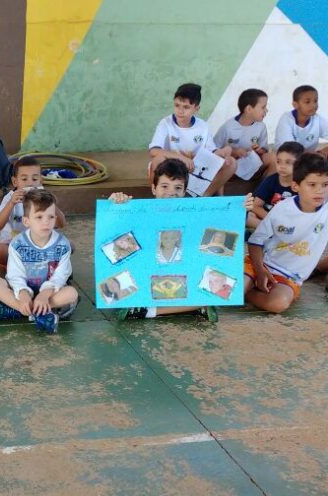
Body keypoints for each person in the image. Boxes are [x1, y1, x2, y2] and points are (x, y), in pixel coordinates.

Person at [109, 159, 253, 321]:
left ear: (184, 192)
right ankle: (190, 308)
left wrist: (241, 209)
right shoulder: (139, 213)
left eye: (178, 188)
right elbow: (115, 231)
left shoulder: (194, 215)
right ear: (153, 188)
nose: (171, 192)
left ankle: (149, 310)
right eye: (164, 186)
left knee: (216, 288)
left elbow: (224, 225)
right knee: (116, 288)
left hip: (184, 274)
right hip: (149, 272)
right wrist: (116, 202)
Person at [0, 189, 78, 334]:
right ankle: (39, 313)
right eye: (39, 217)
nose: (46, 222)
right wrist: (22, 294)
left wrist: (45, 294)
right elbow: (14, 275)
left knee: (71, 293)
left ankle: (18, 310)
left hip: (50, 292)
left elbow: (60, 276)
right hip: (22, 289)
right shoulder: (17, 243)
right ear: (26, 221)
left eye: (51, 217)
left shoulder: (62, 244)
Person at [244, 153, 328, 313]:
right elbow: (256, 242)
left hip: (290, 276)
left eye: (325, 184)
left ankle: (248, 294)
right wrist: (260, 271)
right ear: (296, 186)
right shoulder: (282, 208)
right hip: (262, 263)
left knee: (278, 304)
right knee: (230, 289)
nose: (320, 191)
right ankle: (244, 289)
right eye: (312, 184)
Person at [149, 83, 236, 196]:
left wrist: (224, 152)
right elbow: (154, 150)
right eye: (177, 105)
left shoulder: (203, 126)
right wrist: (182, 158)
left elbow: (212, 152)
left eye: (186, 107)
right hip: (171, 168)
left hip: (195, 168)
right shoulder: (165, 123)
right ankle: (157, 197)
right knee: (157, 160)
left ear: (196, 108)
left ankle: (202, 197)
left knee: (231, 163)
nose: (180, 111)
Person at [0, 156, 66, 267]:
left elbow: (62, 224)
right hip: (15, 246)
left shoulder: (45, 198)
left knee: (68, 245)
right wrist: (11, 204)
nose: (30, 183)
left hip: (40, 245)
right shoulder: (10, 199)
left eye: (35, 179)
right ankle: (33, 263)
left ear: (41, 181)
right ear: (15, 181)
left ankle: (35, 262)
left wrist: (50, 202)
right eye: (24, 179)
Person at [213, 88, 275, 179]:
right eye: (263, 107)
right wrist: (234, 152)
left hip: (252, 163)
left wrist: (259, 150)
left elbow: (264, 150)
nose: (266, 110)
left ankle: (262, 190)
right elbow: (213, 150)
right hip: (231, 166)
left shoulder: (261, 126)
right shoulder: (228, 127)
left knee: (273, 158)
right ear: (249, 109)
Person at [247, 141, 304, 229]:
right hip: (268, 217)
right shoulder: (271, 181)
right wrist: (274, 220)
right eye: (278, 161)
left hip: (291, 221)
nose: (282, 166)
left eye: (288, 162)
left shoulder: (303, 185)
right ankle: (272, 232)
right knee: (249, 217)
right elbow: (255, 206)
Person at [274, 85, 328, 157]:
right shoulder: (286, 119)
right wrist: (316, 155)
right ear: (295, 105)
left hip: (308, 159)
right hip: (288, 159)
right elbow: (290, 149)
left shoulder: (317, 119)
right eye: (307, 102)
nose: (313, 105)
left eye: (315, 101)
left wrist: (323, 152)